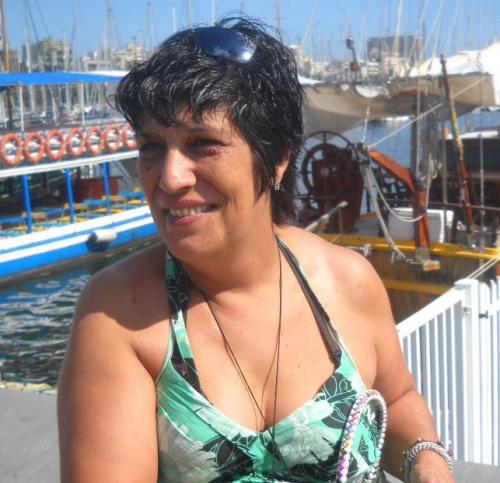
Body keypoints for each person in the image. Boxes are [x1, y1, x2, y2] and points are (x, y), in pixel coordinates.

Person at [58, 17, 454, 483]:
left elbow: (397, 397)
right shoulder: (117, 315)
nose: (169, 178)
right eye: (152, 147)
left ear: (277, 158)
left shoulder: (348, 281)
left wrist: (426, 460)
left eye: (203, 143)